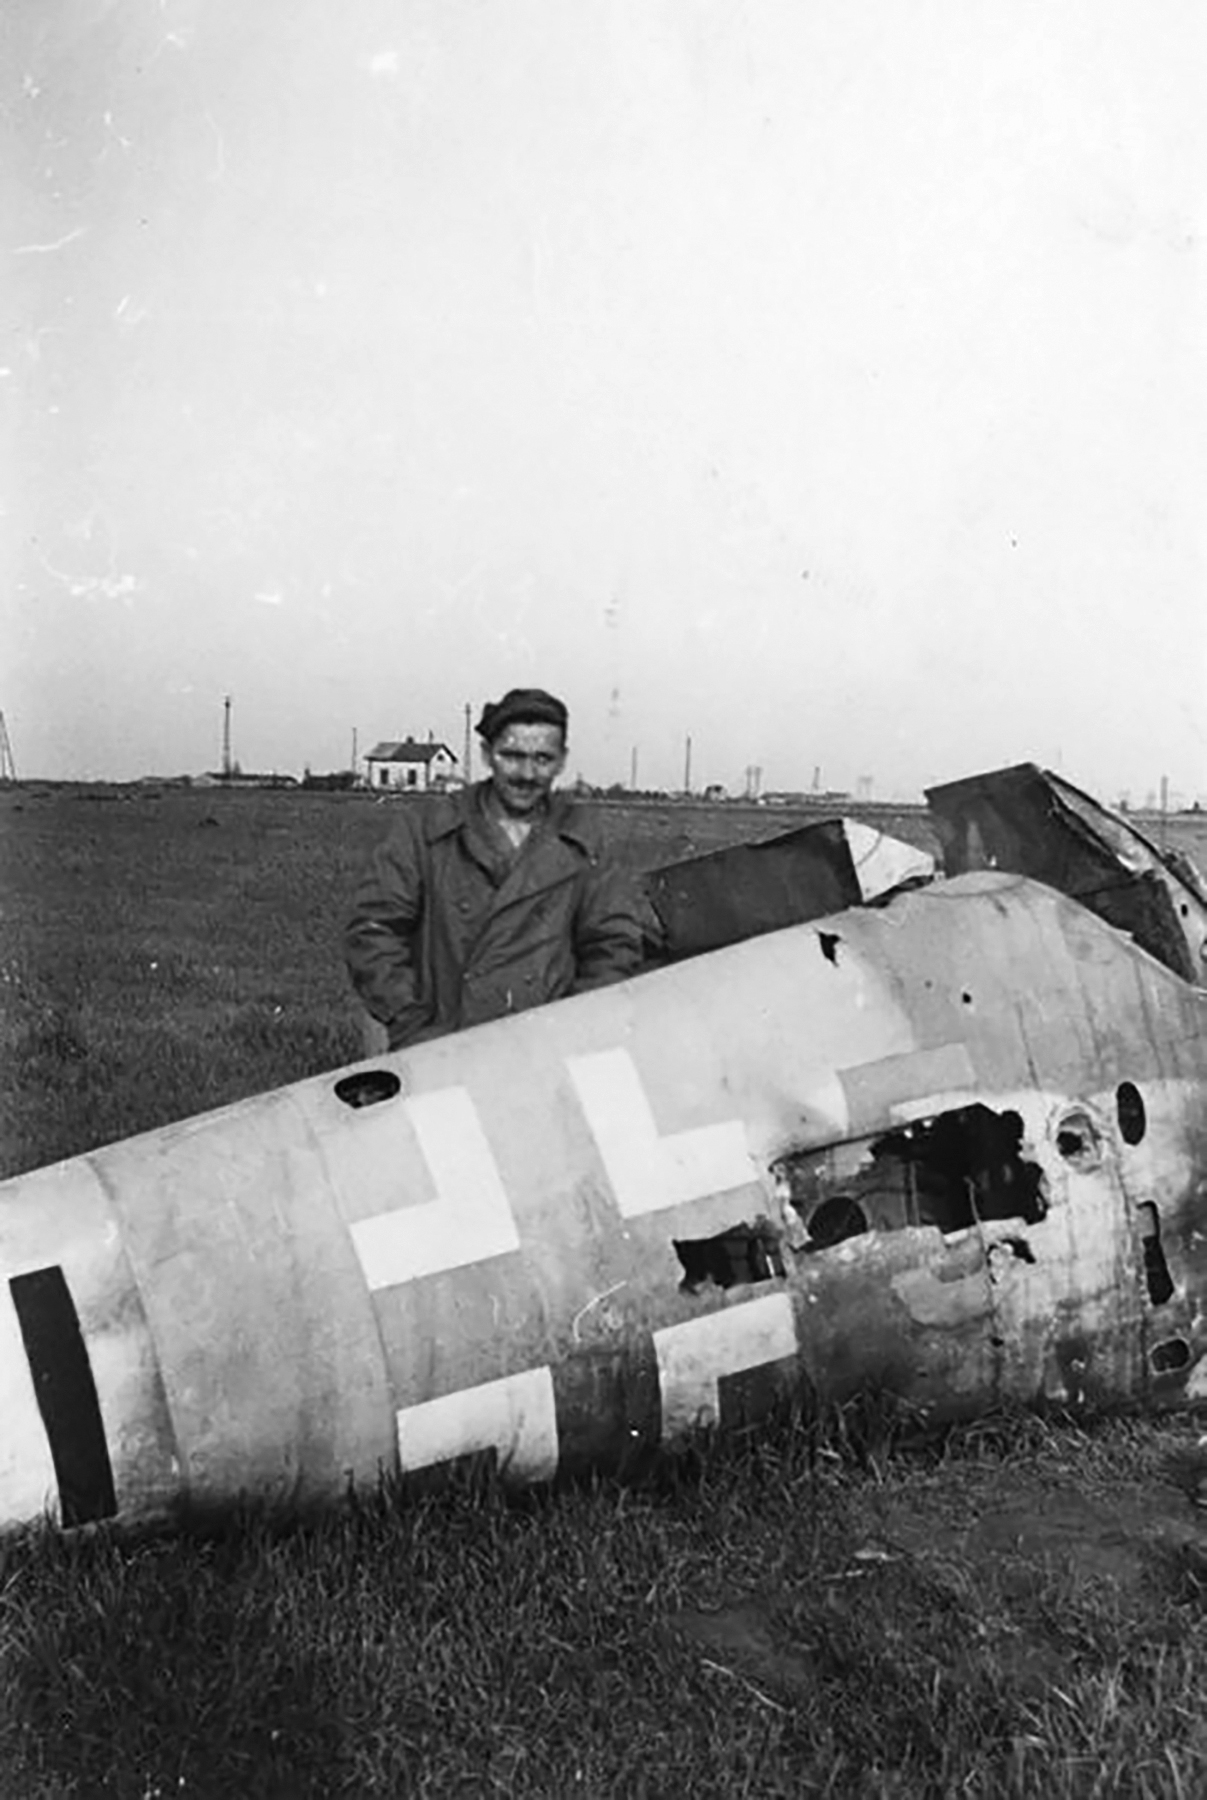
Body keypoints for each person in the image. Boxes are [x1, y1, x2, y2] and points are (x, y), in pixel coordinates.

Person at [344, 688, 645, 1050]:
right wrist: (411, 1023)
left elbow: (613, 944)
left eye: (543, 759)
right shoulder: (427, 830)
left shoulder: (583, 838)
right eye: (512, 756)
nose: (527, 774)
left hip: (545, 1049)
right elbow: (374, 931)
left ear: (562, 761)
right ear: (487, 754)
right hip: (442, 1047)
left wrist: (573, 1028)